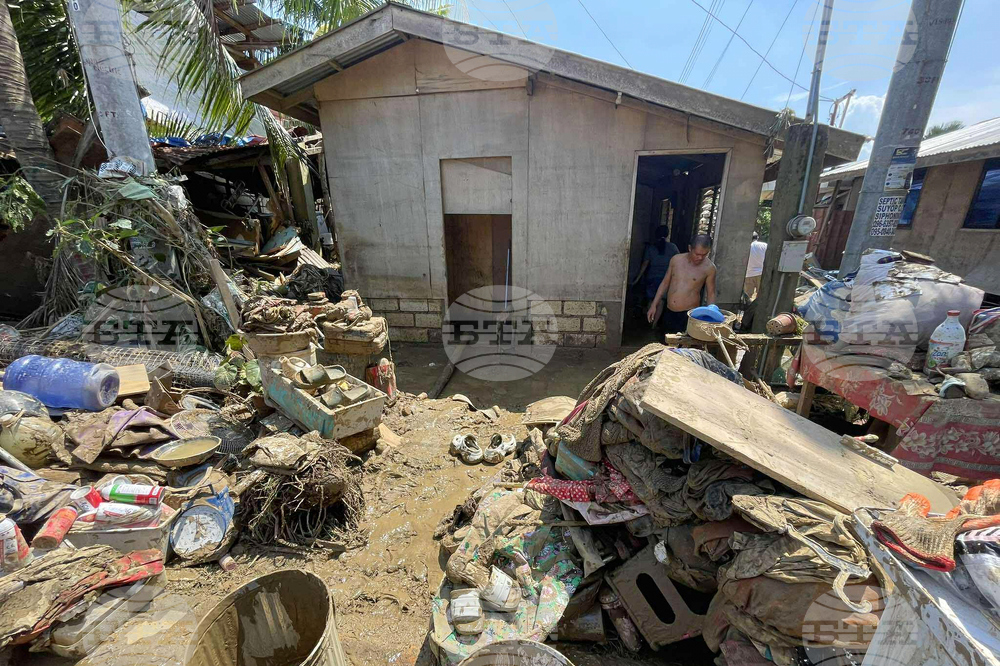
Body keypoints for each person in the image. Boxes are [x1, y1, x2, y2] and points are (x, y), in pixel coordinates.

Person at [646, 234, 717, 333]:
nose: (700, 258)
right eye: (697, 254)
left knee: (685, 342)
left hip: (689, 315)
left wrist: (711, 315)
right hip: (669, 311)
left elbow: (711, 293)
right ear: (690, 248)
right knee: (666, 340)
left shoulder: (709, 268)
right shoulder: (676, 260)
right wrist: (654, 305)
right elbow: (665, 283)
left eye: (704, 254)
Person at [631, 225, 679, 314]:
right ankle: (655, 322)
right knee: (661, 301)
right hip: (666, 279)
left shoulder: (651, 248)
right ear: (667, 234)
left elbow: (644, 265)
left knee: (651, 300)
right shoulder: (673, 247)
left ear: (656, 235)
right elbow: (678, 263)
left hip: (652, 278)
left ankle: (649, 319)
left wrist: (637, 279)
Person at [744, 231, 767, 301]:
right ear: (757, 237)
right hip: (761, 273)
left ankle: (747, 307)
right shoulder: (764, 245)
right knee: (761, 295)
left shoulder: (746, 246)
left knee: (747, 296)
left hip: (748, 274)